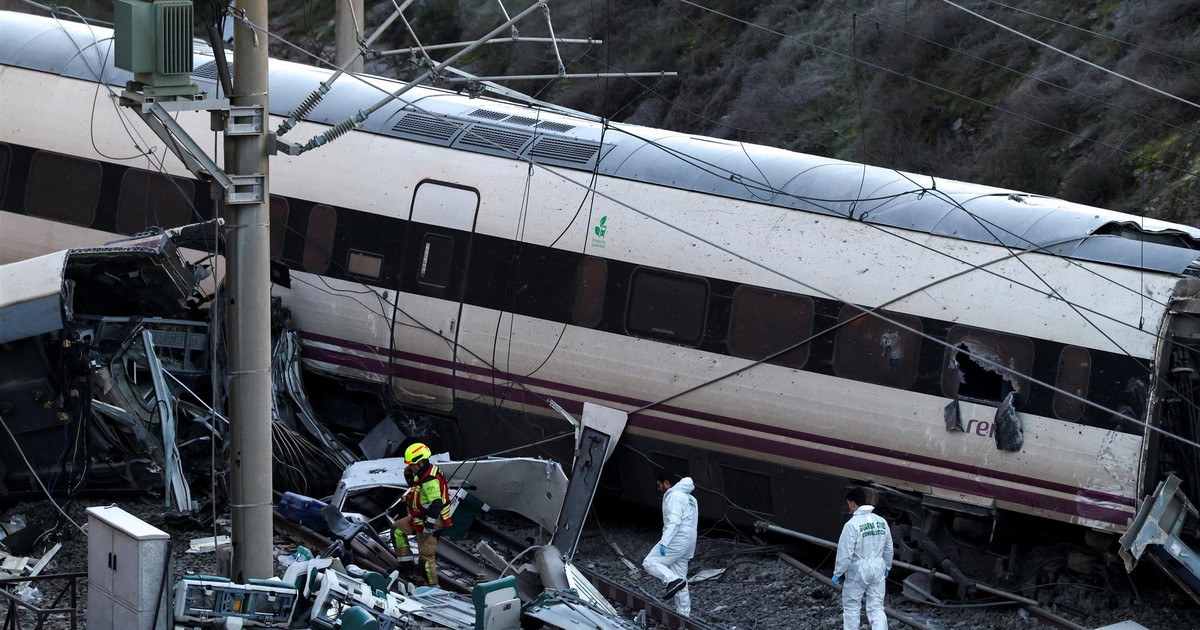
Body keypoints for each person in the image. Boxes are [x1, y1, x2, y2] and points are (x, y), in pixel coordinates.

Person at [832, 487, 894, 630]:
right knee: (877, 607)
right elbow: (888, 547)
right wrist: (887, 566)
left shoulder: (851, 525)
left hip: (858, 569)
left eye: (848, 503)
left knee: (852, 606)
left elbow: (845, 553)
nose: (848, 506)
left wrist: (837, 573)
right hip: (878, 567)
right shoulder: (881, 521)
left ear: (853, 503)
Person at [392, 442, 453, 586]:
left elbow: (436, 504)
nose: (409, 467)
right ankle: (406, 568)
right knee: (397, 530)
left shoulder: (429, 480)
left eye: (411, 464)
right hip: (420, 517)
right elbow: (415, 488)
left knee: (426, 558)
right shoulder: (425, 472)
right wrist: (408, 474)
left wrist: (429, 526)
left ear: (419, 462)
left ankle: (433, 587)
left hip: (431, 520)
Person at [642, 470, 698, 616]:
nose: (659, 488)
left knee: (649, 562)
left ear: (667, 483)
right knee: (681, 579)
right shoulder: (691, 499)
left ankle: (671, 580)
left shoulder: (674, 496)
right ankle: (684, 616)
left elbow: (674, 521)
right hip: (689, 542)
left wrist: (665, 542)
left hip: (677, 539)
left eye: (659, 485)